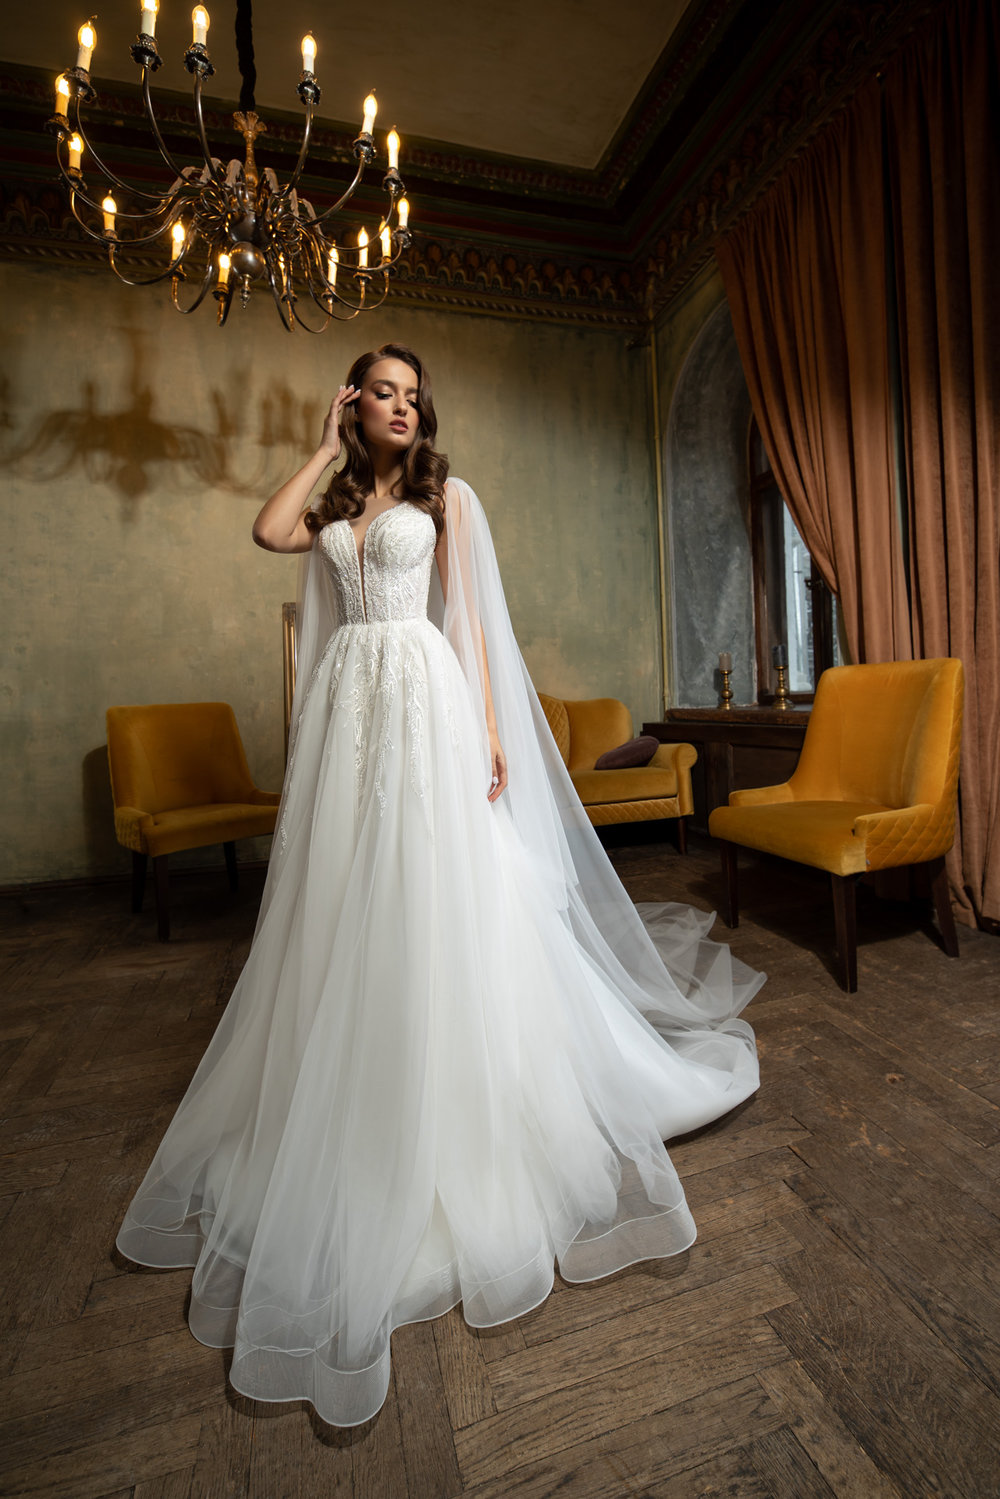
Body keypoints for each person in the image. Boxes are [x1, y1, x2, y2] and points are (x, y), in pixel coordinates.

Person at [117, 343, 763, 1428]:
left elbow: (469, 627)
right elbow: (270, 531)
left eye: (414, 395)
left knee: (434, 898)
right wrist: (321, 443)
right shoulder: (332, 502)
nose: (404, 408)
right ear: (354, 404)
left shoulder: (445, 498)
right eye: (383, 392)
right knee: (343, 907)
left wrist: (496, 739)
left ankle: (460, 1090)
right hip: (345, 718)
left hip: (425, 704)